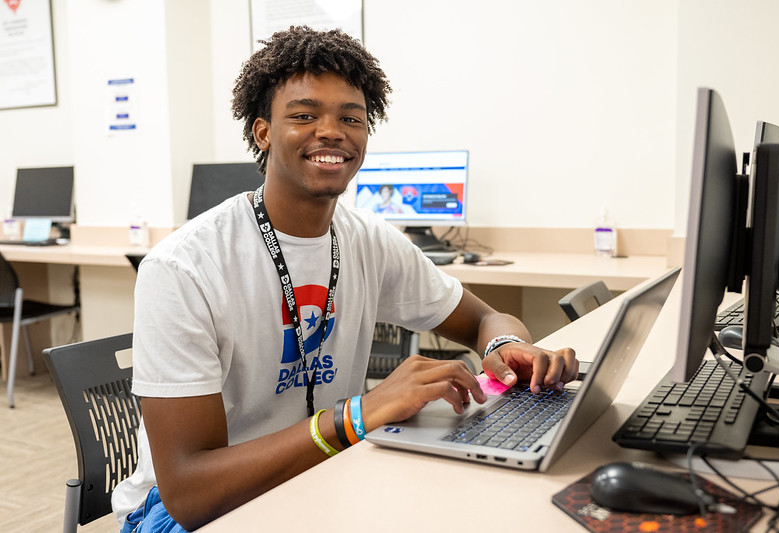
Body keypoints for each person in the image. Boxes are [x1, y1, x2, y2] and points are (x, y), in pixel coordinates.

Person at [112, 26, 578, 532]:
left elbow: (487, 318)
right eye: (305, 115)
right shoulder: (183, 268)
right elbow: (190, 491)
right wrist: (360, 414)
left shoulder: (367, 239)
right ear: (262, 131)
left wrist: (507, 345)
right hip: (189, 510)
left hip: (323, 468)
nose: (332, 131)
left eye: (350, 118)